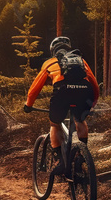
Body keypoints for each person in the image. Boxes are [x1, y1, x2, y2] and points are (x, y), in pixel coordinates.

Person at [23, 36, 100, 177]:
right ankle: (82, 156)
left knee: (54, 124)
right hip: (84, 91)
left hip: (62, 92)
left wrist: (29, 104)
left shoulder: (50, 63)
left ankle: (61, 162)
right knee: (80, 121)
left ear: (53, 51)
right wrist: (93, 102)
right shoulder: (81, 61)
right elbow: (93, 83)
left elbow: (35, 88)